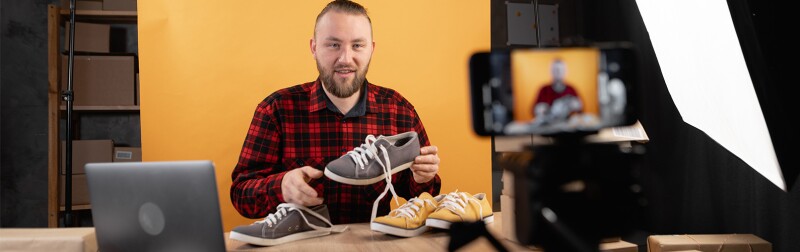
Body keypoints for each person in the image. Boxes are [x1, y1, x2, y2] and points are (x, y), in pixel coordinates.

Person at [230, 0, 441, 224]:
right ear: (314, 48)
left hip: (374, 240)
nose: (345, 59)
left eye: (357, 45)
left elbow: (425, 198)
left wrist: (422, 178)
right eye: (333, 45)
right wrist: (281, 186)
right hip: (300, 241)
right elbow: (241, 195)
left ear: (371, 49)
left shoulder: (399, 111)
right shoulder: (276, 110)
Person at [530, 58, 583, 125]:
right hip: (548, 127)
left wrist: (577, 106)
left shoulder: (571, 89)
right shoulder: (544, 90)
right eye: (555, 70)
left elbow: (581, 111)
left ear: (566, 72)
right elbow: (533, 111)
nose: (558, 72)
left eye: (561, 70)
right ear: (550, 72)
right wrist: (538, 109)